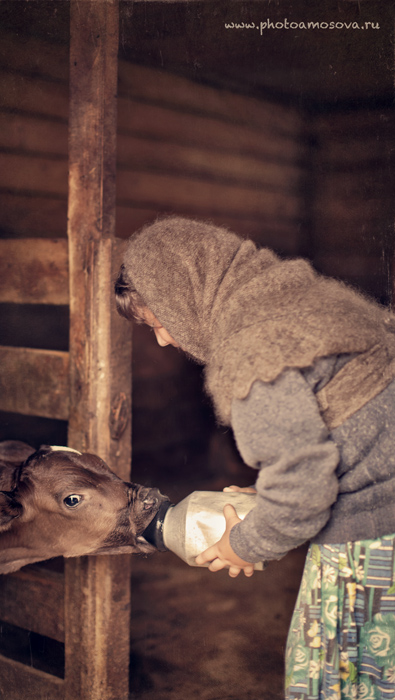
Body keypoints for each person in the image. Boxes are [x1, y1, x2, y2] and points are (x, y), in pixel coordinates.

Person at [115, 215, 395, 699]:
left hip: (370, 544)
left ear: (184, 295)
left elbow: (302, 495)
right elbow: (340, 428)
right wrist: (272, 494)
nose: (161, 339)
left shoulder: (253, 353)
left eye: (158, 321)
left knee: (340, 678)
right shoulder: (313, 299)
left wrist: (244, 545)